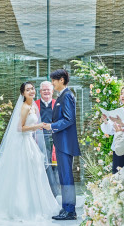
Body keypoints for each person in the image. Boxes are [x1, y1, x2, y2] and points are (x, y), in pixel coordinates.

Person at [0, 82, 59, 223]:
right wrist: (37, 126)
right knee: (21, 174)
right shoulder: (24, 107)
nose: (31, 91)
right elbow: (20, 128)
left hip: (30, 143)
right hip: (21, 143)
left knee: (33, 174)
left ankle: (33, 206)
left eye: (32, 89)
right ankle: (19, 207)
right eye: (27, 90)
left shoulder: (34, 106)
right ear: (23, 93)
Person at [43, 69, 81, 221]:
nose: (52, 83)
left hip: (65, 143)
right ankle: (67, 207)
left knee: (66, 177)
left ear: (62, 80)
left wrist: (51, 126)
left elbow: (69, 119)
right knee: (64, 177)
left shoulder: (67, 96)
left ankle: (70, 210)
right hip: (62, 142)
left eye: (54, 80)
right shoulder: (63, 96)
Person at [100, 86, 124, 173]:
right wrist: (105, 121)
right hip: (118, 145)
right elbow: (110, 131)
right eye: (121, 94)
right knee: (117, 175)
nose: (122, 96)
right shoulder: (117, 111)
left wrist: (122, 124)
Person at [35, 81, 60, 196]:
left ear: (52, 91)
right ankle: (43, 195)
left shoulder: (58, 104)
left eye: (48, 90)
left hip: (54, 139)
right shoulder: (34, 105)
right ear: (40, 92)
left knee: (54, 168)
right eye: (43, 90)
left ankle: (54, 195)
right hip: (39, 140)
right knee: (42, 167)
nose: (46, 92)